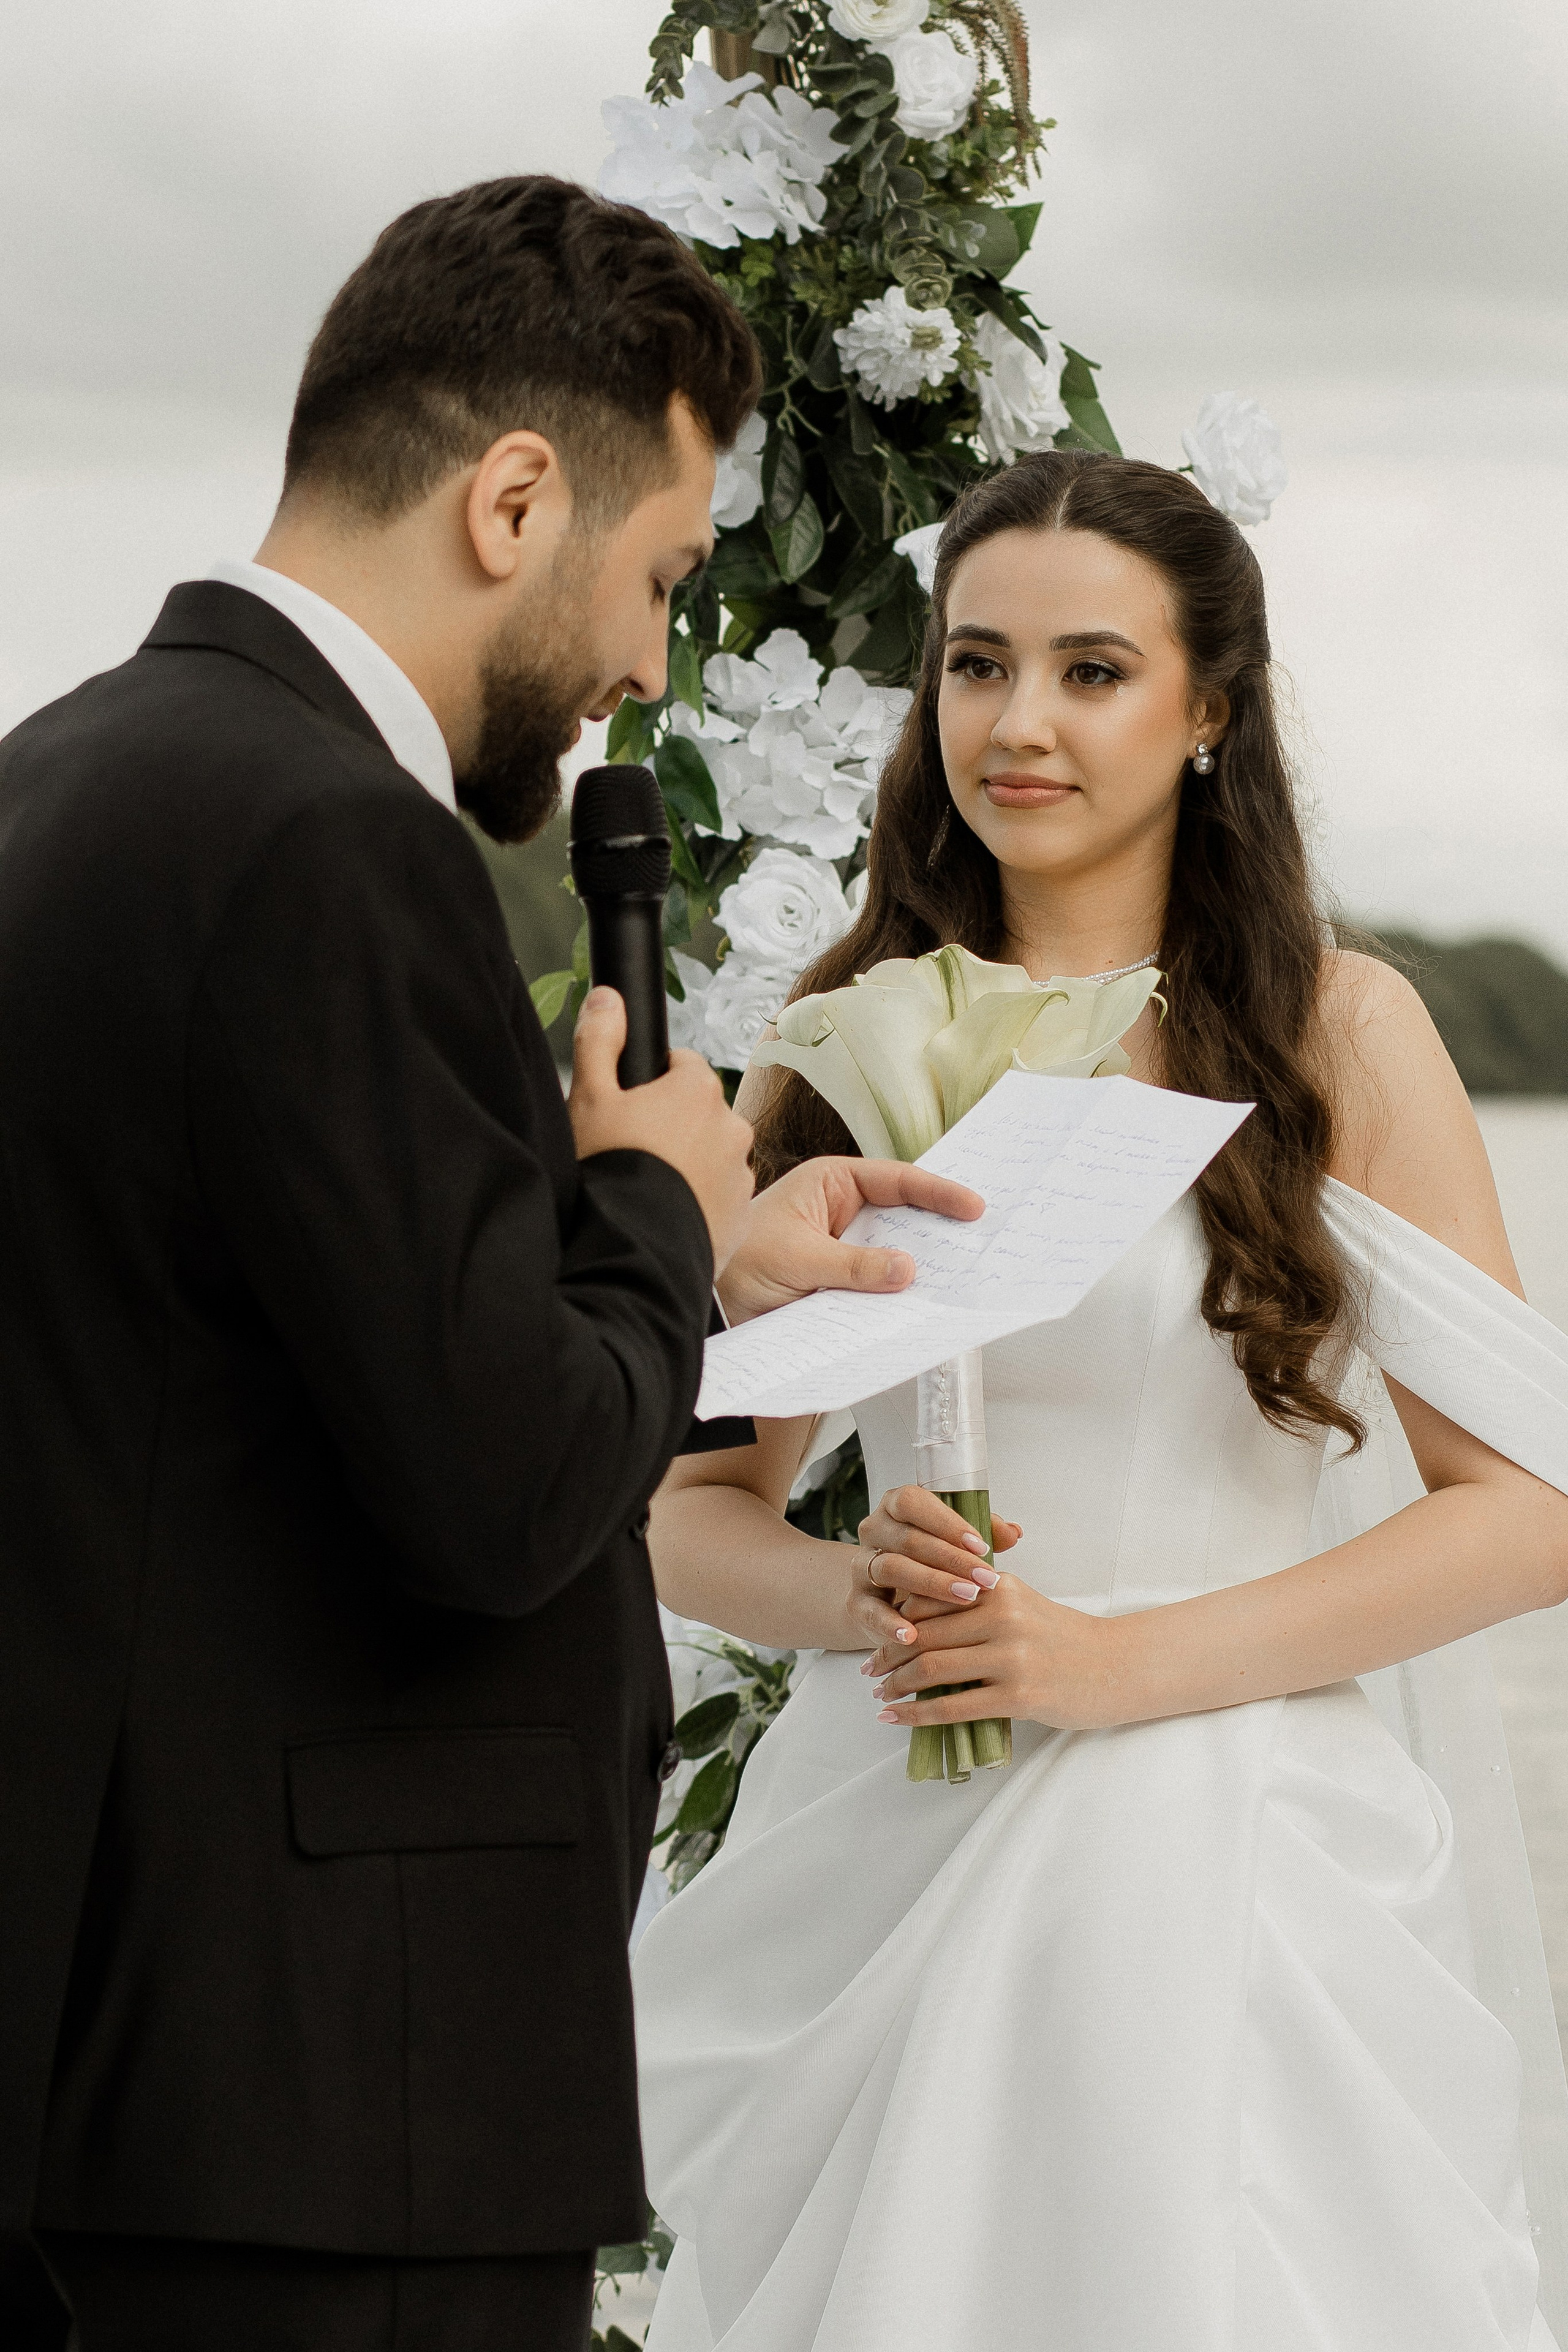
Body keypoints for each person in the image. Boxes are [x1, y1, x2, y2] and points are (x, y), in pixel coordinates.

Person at [0, 176, 981, 2352]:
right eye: (658, 577)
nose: (645, 662)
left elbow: (240, 1361)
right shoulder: (337, 838)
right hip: (339, 2099)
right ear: (517, 497)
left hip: (135, 2064)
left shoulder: (60, 783)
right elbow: (505, 1488)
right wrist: (646, 1190)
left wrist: (680, 1255)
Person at [633, 448, 1568, 2350]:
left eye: (1090, 670)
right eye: (977, 667)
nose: (1019, 722)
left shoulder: (1335, 1027)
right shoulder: (838, 1030)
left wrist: (1117, 1668)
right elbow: (682, 1503)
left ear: (1209, 708)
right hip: (893, 1815)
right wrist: (859, 1601)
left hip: (1226, 1829)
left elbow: (1530, 1507)